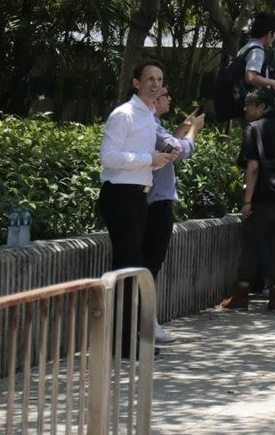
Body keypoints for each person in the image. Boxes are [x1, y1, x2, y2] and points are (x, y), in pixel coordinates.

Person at [100, 62, 177, 293]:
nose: (155, 84)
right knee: (128, 264)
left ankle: (129, 326)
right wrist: (148, 159)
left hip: (139, 196)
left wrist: (159, 159)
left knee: (135, 264)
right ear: (136, 83)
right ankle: (120, 327)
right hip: (120, 195)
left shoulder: (149, 116)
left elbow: (144, 160)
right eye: (150, 79)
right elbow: (108, 157)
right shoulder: (124, 114)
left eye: (160, 80)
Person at [228, 85, 275, 312]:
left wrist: (247, 200)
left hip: (263, 196)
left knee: (250, 245)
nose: (245, 108)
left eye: (249, 104)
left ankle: (241, 294)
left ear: (261, 106)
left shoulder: (254, 128)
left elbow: (252, 167)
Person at [144, 85, 203, 344]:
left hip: (154, 201)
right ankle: (148, 324)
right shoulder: (151, 127)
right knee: (151, 265)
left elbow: (171, 144)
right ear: (155, 100)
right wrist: (194, 130)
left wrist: (181, 129)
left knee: (150, 264)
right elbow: (183, 151)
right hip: (155, 203)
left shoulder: (154, 126)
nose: (169, 98)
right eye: (166, 94)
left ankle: (147, 322)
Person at [237, 13, 275, 96]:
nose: (274, 38)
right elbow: (250, 77)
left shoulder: (246, 48)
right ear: (269, 34)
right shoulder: (257, 51)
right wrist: (273, 83)